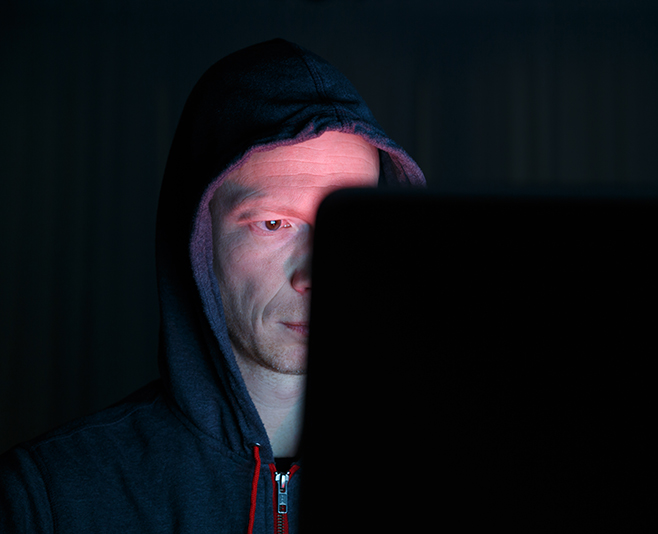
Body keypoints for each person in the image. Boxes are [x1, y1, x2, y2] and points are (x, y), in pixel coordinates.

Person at [0, 38, 425, 533]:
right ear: (198, 237)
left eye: (346, 222)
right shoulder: (47, 500)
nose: (315, 274)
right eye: (273, 224)